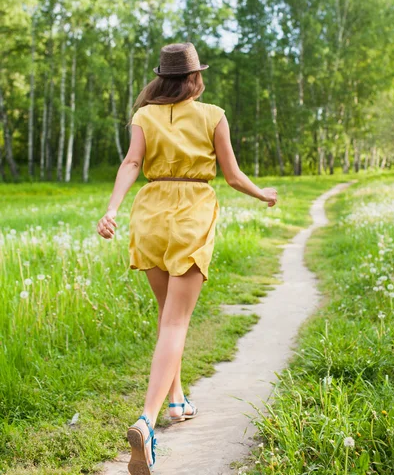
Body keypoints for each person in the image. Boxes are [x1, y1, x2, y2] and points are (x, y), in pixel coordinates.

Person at [97, 42, 278, 474]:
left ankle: (177, 404)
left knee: (166, 319)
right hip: (191, 213)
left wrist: (111, 210)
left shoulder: (144, 116)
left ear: (163, 76)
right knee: (176, 323)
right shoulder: (213, 114)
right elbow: (232, 175)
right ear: (196, 77)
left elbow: (130, 163)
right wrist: (262, 194)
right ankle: (147, 420)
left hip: (150, 213)